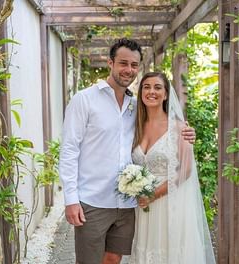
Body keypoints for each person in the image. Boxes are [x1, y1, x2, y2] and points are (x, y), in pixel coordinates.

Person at [59, 39, 196, 264]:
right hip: (93, 201)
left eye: (134, 65)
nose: (128, 70)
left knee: (113, 259)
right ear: (110, 63)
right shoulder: (84, 100)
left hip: (127, 204)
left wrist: (187, 132)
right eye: (123, 63)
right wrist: (71, 200)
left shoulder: (136, 107)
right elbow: (69, 150)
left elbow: (163, 129)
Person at [129, 72, 215, 264]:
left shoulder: (179, 128)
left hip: (170, 202)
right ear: (140, 92)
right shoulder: (135, 126)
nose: (151, 91)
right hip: (143, 205)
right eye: (146, 87)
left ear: (166, 94)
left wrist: (153, 194)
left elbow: (185, 171)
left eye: (158, 87)